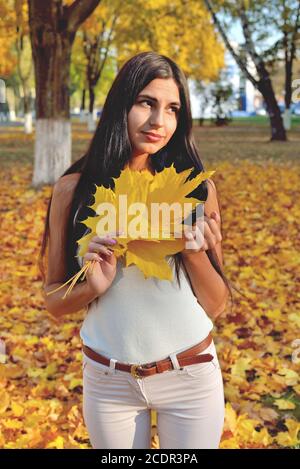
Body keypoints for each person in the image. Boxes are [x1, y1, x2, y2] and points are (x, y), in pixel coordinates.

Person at [40, 51, 232, 449]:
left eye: (172, 108)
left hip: (190, 375)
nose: (159, 121)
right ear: (120, 105)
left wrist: (192, 254)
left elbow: (217, 304)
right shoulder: (72, 191)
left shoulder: (196, 191)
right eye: (146, 103)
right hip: (109, 383)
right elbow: (55, 302)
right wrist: (93, 286)